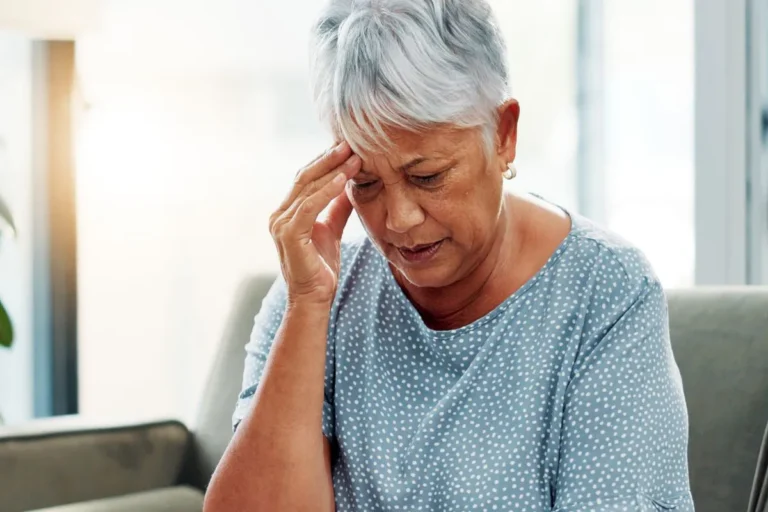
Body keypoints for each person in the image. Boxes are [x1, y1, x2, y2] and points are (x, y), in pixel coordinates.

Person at [204, 0, 694, 510]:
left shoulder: (605, 293)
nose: (399, 219)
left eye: (427, 176)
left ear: (503, 135)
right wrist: (307, 306)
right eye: (365, 183)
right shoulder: (313, 294)